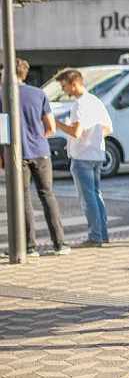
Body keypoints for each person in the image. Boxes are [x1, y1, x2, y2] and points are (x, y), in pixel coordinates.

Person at [0, 59, 69, 257]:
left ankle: (29, 246)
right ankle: (60, 244)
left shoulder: (2, 94)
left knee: (22, 199)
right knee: (47, 195)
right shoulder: (39, 93)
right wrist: (37, 138)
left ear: (7, 73)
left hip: (15, 154)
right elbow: (50, 127)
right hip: (40, 150)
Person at [52, 68, 113, 249]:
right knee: (96, 195)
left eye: (64, 86)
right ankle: (103, 234)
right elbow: (108, 129)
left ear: (74, 84)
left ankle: (94, 237)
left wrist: (57, 123)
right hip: (96, 154)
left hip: (82, 157)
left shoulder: (79, 105)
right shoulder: (96, 101)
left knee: (88, 198)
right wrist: (92, 139)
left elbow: (76, 132)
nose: (63, 90)